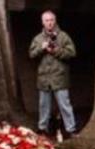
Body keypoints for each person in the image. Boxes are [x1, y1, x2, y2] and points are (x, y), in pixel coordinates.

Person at [29, 10, 77, 138]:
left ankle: (70, 130)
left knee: (65, 105)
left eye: (51, 20)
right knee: (44, 105)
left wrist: (55, 50)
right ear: (42, 22)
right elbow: (31, 55)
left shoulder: (63, 36)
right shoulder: (38, 39)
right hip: (44, 78)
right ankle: (42, 129)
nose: (49, 23)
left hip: (59, 77)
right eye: (46, 20)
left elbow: (72, 53)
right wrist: (42, 48)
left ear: (55, 21)